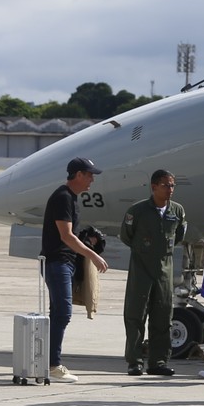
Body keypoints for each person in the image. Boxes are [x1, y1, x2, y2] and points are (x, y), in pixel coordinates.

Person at [39, 157, 110, 382]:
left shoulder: (71, 198)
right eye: (89, 175)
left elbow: (70, 234)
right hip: (57, 262)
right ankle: (53, 365)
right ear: (78, 175)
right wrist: (94, 256)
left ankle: (48, 362)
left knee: (58, 313)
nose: (92, 180)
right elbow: (65, 236)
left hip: (64, 262)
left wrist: (88, 241)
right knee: (63, 313)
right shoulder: (63, 197)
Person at [119, 169, 186, 377]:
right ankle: (135, 361)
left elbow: (178, 236)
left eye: (173, 185)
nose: (170, 190)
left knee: (163, 316)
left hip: (164, 271)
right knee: (135, 316)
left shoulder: (177, 210)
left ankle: (158, 361)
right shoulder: (137, 211)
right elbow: (126, 236)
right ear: (154, 187)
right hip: (141, 270)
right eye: (166, 185)